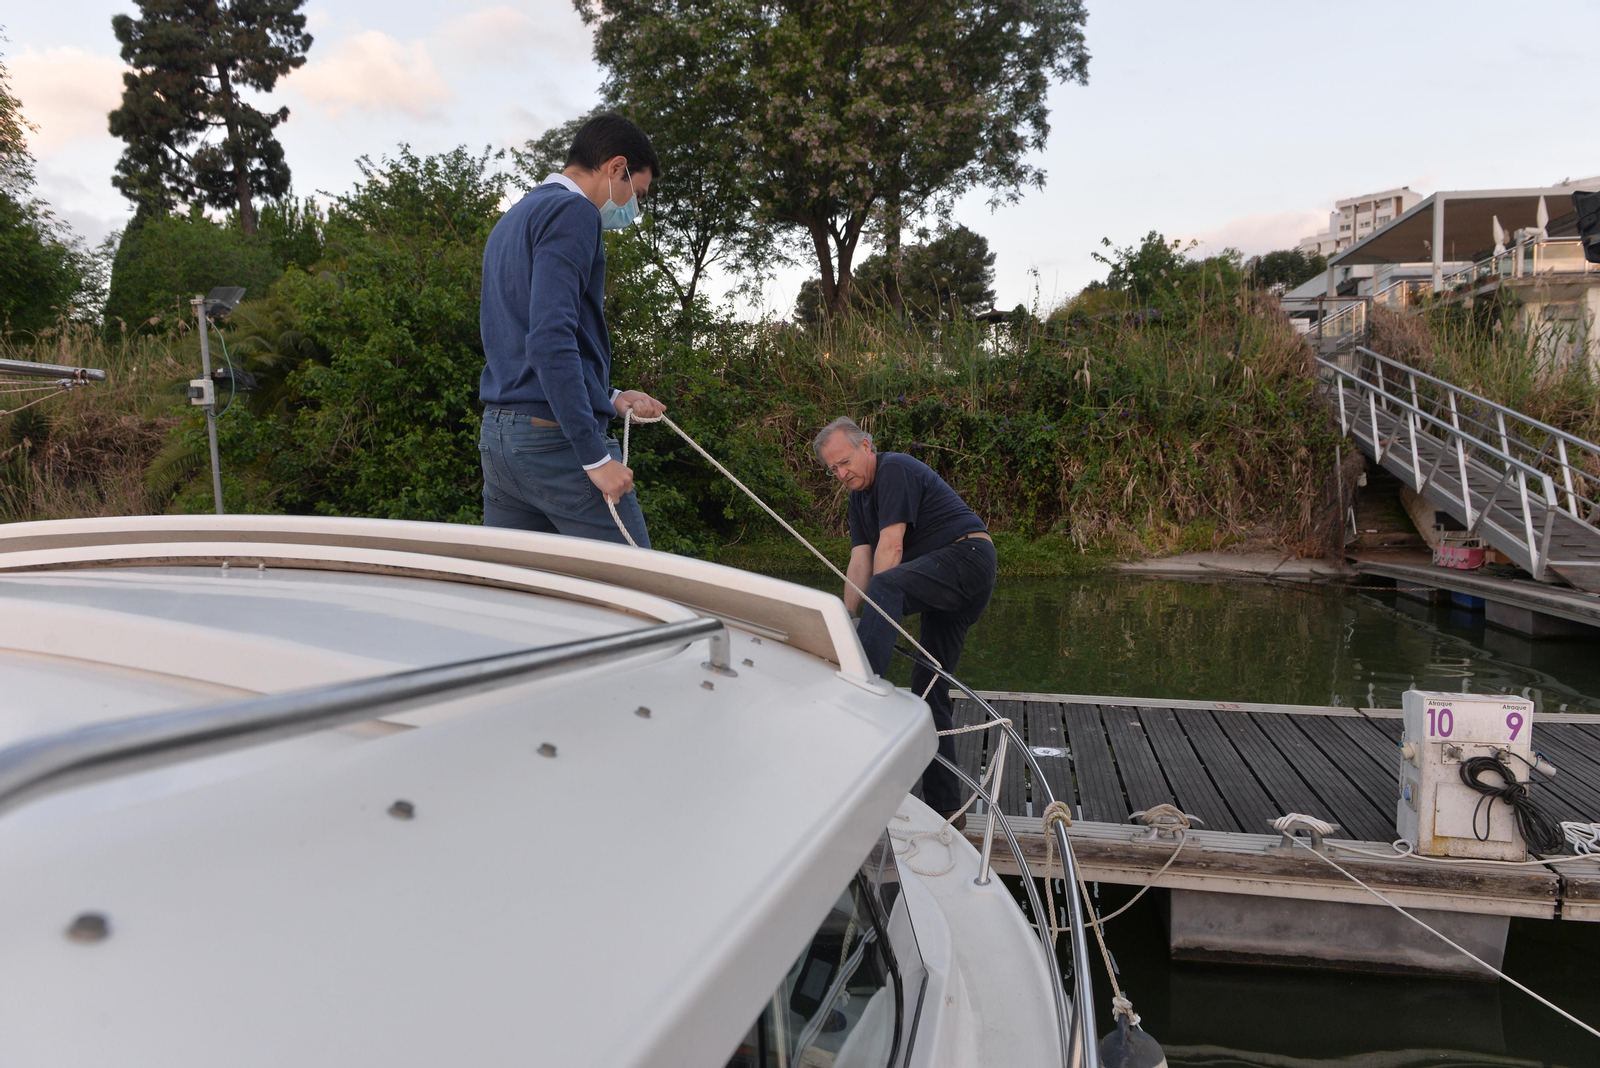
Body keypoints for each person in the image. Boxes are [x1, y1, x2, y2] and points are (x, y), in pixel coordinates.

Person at [478, 111, 668, 546]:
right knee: (640, 588)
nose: (632, 209)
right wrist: (595, 456)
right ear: (615, 167)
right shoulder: (573, 212)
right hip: (553, 442)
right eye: (635, 193)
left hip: (499, 439)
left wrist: (612, 397)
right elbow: (548, 341)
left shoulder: (513, 220)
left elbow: (524, 344)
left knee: (521, 597)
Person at [814, 416, 997, 828]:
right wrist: (845, 620)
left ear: (866, 447)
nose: (842, 474)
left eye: (845, 462)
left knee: (887, 586)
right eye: (833, 470)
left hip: (967, 559)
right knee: (928, 687)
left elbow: (891, 548)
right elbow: (860, 561)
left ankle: (861, 691)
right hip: (944, 582)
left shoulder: (893, 469)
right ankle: (948, 808)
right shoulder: (857, 501)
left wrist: (855, 655)